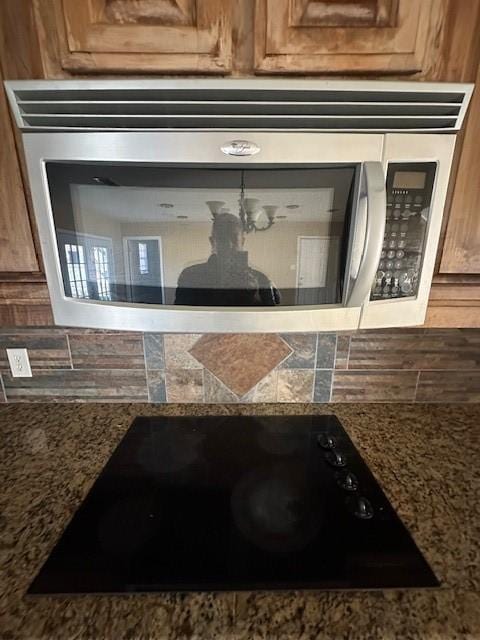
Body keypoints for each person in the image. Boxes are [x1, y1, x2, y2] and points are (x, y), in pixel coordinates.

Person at [175, 213, 280, 306]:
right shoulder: (191, 275)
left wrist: (253, 295)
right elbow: (181, 316)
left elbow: (269, 320)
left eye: (234, 238)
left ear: (242, 242)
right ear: (212, 242)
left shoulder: (260, 279)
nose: (229, 244)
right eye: (222, 238)